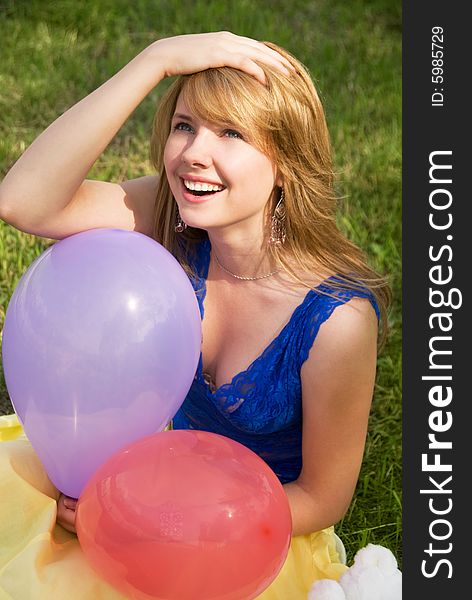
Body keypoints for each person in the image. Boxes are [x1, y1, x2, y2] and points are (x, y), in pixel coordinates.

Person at [0, 32, 391, 599]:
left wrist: (151, 527)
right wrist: (154, 60)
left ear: (285, 162)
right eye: (185, 126)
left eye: (231, 133)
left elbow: (322, 496)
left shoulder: (336, 320)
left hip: (248, 536)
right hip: (149, 484)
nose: (192, 154)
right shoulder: (173, 223)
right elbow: (23, 201)